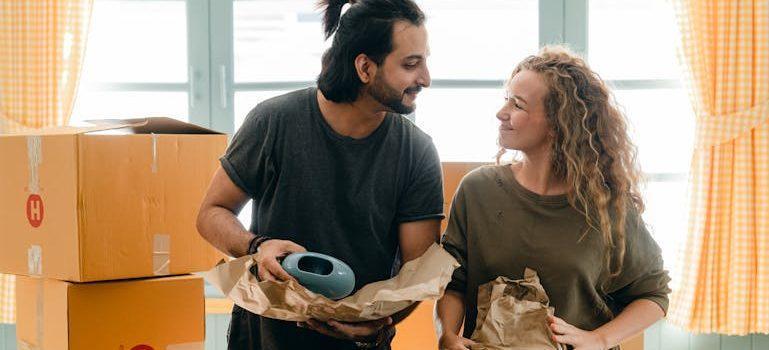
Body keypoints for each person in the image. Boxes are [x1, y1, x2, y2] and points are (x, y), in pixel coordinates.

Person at [196, 0, 443, 349]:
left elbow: (417, 276)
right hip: (263, 339)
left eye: (425, 61)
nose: (426, 78)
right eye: (411, 64)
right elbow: (210, 214)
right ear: (365, 67)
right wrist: (257, 245)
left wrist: (373, 325)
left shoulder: (417, 152)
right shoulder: (274, 121)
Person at [435, 46, 671, 350]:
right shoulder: (477, 190)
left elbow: (654, 294)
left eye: (517, 105)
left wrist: (600, 339)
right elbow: (453, 283)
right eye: (506, 99)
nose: (501, 113)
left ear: (559, 123)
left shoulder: (605, 206)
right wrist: (447, 336)